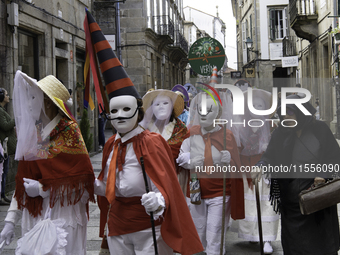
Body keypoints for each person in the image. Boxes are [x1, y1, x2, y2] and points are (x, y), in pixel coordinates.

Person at [85, 9, 203, 255]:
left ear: (138, 113)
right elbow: (107, 184)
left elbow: (165, 180)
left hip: (148, 226)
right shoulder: (110, 145)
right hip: (118, 224)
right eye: (113, 111)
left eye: (125, 109)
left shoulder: (151, 142)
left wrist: (159, 200)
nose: (118, 116)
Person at [0, 71, 95, 254]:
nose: (28, 104)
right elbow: (22, 184)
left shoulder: (70, 131)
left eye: (33, 98)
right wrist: (10, 221)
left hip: (63, 215)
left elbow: (82, 179)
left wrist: (44, 189)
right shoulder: (32, 134)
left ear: (49, 104)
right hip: (33, 215)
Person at [253, 94, 340, 255]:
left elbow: (334, 157)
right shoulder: (280, 133)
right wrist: (261, 165)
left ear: (301, 112)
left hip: (318, 197)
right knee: (294, 247)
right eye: (284, 112)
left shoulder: (320, 129)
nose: (286, 116)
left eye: (290, 112)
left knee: (320, 247)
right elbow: (269, 155)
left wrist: (323, 173)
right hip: (291, 201)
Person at [177, 93, 246, 255]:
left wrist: (228, 159)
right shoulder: (192, 132)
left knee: (215, 232)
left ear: (218, 114)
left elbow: (235, 166)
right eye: (201, 110)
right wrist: (192, 160)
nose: (203, 114)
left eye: (208, 111)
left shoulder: (226, 135)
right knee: (197, 231)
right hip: (195, 191)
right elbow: (181, 157)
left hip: (220, 192)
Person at [231, 89, 279, 254]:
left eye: (260, 105)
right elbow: (235, 148)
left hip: (265, 170)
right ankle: (253, 234)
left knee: (267, 204)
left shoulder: (272, 126)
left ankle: (266, 238)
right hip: (246, 170)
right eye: (254, 105)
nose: (257, 108)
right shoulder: (240, 127)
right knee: (250, 204)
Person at [141, 89, 189, 194]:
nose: (161, 106)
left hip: (176, 178)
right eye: (157, 104)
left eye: (165, 103)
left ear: (172, 107)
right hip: (150, 179)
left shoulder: (181, 129)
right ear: (152, 108)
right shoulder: (143, 130)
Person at [0, 87, 17, 205]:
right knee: (2, 171)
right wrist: (16, 120)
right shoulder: (0, 111)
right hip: (2, 146)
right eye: (6, 94)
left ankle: (3, 194)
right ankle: (1, 195)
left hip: (5, 146)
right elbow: (5, 126)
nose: (8, 96)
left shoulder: (2, 110)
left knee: (5, 171)